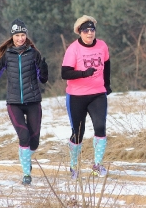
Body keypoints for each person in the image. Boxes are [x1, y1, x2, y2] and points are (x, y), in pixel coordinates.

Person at [0, 18, 48, 185]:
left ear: (26, 35)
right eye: (17, 35)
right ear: (12, 37)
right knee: (23, 136)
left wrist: (44, 70)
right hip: (14, 103)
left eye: (23, 34)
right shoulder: (6, 56)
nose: (20, 38)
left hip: (33, 102)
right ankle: (26, 173)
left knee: (34, 141)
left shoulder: (34, 54)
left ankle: (25, 156)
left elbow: (43, 79)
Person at [61, 15, 112, 179]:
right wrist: (83, 73)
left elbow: (107, 65)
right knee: (78, 133)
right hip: (77, 96)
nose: (90, 33)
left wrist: (107, 84)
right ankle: (74, 166)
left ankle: (97, 165)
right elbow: (65, 73)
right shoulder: (73, 49)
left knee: (100, 127)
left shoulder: (102, 46)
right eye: (86, 30)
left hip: (97, 94)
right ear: (80, 32)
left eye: (92, 30)